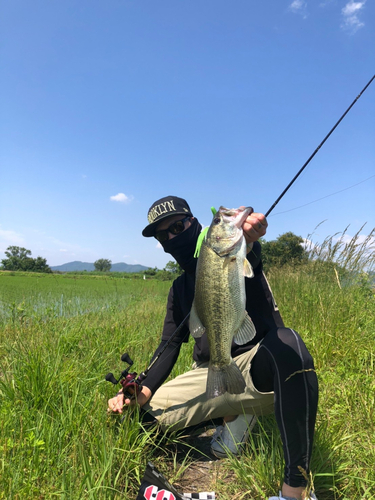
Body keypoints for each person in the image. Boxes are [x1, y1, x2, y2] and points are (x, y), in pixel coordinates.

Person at [108, 195, 319, 500]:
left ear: (194, 224)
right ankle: (230, 415)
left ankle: (295, 489)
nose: (170, 237)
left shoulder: (233, 255)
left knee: (290, 345)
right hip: (209, 374)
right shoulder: (179, 288)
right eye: (161, 234)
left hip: (255, 368)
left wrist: (249, 237)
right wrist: (140, 390)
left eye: (177, 226)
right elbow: (169, 345)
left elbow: (250, 255)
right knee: (136, 422)